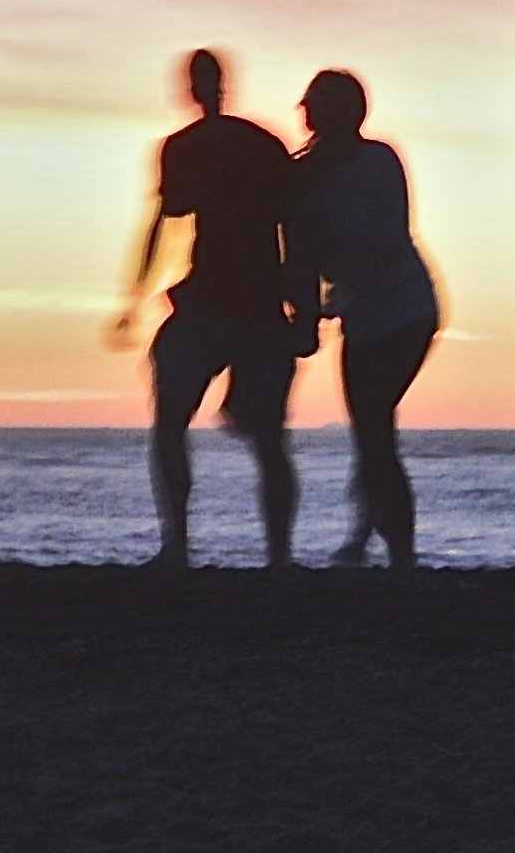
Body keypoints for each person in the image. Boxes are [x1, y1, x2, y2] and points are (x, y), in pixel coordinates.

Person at [107, 47, 314, 568]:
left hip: (247, 305)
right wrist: (133, 299)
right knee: (200, 428)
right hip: (220, 303)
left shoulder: (219, 146)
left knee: (255, 437)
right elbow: (167, 221)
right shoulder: (234, 145)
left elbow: (292, 228)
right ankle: (194, 544)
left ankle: (253, 552)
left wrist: (304, 306)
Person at [292, 69, 442, 570]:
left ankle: (398, 549)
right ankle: (366, 536)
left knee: (375, 429)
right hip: (361, 314)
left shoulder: (377, 161)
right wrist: (310, 313)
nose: (303, 110)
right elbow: (303, 254)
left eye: (312, 102)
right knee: (371, 431)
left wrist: (324, 235)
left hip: (403, 310)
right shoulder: (306, 172)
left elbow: (387, 238)